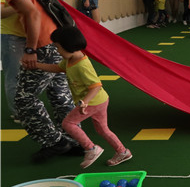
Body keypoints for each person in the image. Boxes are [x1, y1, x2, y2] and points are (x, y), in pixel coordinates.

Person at [1, 0, 79, 162]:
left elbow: (32, 13)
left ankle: (56, 143)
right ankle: (75, 139)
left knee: (24, 99)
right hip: (57, 41)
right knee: (60, 94)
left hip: (43, 44)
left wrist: (30, 49)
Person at [34, 27, 132, 168]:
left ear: (68, 46)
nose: (57, 51)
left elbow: (96, 86)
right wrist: (37, 65)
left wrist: (84, 102)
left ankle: (91, 149)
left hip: (92, 101)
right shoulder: (70, 60)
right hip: (100, 100)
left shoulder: (82, 65)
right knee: (103, 130)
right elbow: (58, 68)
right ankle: (123, 152)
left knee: (68, 124)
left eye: (58, 47)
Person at [1, 0, 26, 123]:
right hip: (10, 37)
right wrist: (22, 6)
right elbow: (1, 13)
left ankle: (25, 108)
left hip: (26, 35)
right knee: (14, 76)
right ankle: (18, 113)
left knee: (26, 76)